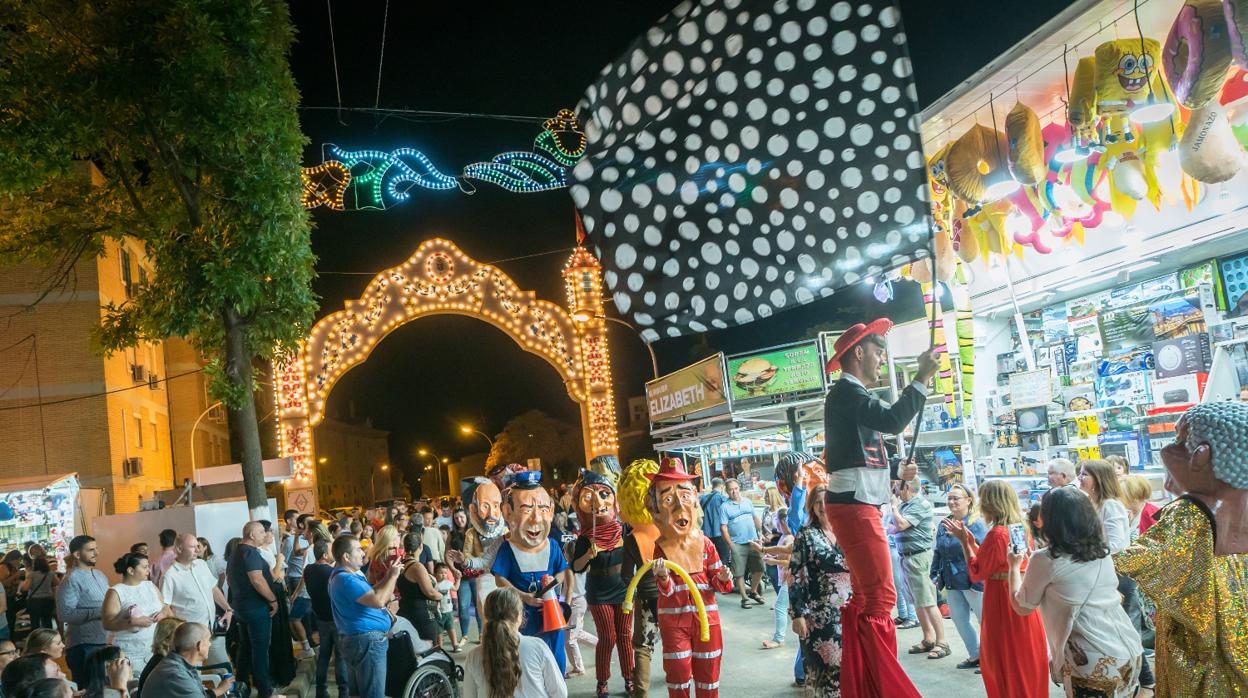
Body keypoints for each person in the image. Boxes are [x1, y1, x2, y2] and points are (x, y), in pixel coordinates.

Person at [821, 319, 937, 698]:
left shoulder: (848, 398)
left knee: (870, 597)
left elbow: (861, 455)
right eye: (878, 351)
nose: (881, 359)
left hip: (858, 504)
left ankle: (869, 681)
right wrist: (920, 377)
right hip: (855, 507)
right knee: (881, 598)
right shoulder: (845, 394)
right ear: (858, 352)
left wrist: (894, 469)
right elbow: (891, 420)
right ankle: (881, 682)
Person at [1115, 402, 1248, 697]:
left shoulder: (1190, 512)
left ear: (1201, 456)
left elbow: (1142, 560)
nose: (1166, 452)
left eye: (1178, 442)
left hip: (1204, 629)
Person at [1006, 487, 1143, 697]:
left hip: (1091, 659)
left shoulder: (1046, 559)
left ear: (1051, 519)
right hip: (1128, 648)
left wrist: (1014, 568)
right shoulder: (1101, 551)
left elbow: (1022, 606)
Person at [948, 479, 1048, 698]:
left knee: (1003, 656)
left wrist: (965, 543)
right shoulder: (1018, 527)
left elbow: (977, 571)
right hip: (1020, 591)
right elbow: (999, 560)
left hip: (1001, 598)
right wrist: (973, 544)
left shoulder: (997, 533)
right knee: (1024, 654)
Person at [646, 458, 734, 698]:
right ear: (655, 509)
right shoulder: (661, 548)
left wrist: (724, 577)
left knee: (708, 673)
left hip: (707, 618)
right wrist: (663, 577)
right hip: (675, 621)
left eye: (684, 496)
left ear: (695, 500)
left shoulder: (705, 543)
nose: (678, 506)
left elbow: (719, 582)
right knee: (678, 671)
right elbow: (667, 591)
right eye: (667, 499)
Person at [490, 471, 570, 675]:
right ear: (508, 512)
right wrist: (523, 595)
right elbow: (500, 579)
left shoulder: (552, 546)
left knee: (555, 655)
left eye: (543, 509)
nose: (536, 518)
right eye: (526, 510)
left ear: (551, 511)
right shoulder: (508, 548)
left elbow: (562, 571)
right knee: (525, 660)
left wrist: (553, 587)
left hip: (550, 612)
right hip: (521, 615)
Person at [569, 468, 633, 697]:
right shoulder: (585, 538)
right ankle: (602, 680)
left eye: (604, 494)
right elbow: (576, 567)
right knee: (608, 637)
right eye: (589, 497)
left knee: (625, 635)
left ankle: (630, 678)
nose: (598, 501)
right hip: (599, 592)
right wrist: (588, 556)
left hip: (625, 589)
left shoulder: (625, 530)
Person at [788, 484, 851, 695]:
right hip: (818, 616)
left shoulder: (847, 531)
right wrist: (798, 614)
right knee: (821, 672)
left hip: (850, 613)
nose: (823, 506)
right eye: (818, 502)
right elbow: (796, 575)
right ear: (811, 506)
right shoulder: (806, 535)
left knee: (848, 670)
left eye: (827, 501)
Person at [328, 535, 401, 698]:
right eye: (358, 549)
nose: (363, 553)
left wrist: (389, 575)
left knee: (358, 693)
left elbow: (371, 591)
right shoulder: (346, 579)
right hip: (367, 642)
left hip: (358, 640)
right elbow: (379, 600)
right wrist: (394, 577)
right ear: (346, 557)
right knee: (373, 694)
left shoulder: (348, 576)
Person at [461, 588, 566, 698]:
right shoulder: (537, 647)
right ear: (519, 616)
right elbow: (560, 693)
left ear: (486, 617)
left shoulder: (473, 656)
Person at [931, 483, 987, 670]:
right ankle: (975, 655)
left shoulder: (976, 523)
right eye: (950, 498)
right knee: (959, 619)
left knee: (984, 621)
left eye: (956, 498)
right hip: (952, 580)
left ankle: (991, 660)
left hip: (973, 581)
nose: (952, 502)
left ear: (968, 500)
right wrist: (934, 574)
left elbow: (983, 553)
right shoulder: (945, 523)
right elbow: (938, 551)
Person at [891, 478, 947, 659]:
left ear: (905, 486)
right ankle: (928, 638)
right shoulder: (906, 506)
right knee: (918, 602)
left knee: (928, 601)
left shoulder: (918, 504)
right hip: (907, 558)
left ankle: (942, 642)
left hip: (919, 558)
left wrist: (893, 507)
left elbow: (899, 525)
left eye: (896, 488)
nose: (895, 492)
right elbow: (892, 527)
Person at [618, 458, 660, 698]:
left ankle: (641, 692)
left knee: (643, 646)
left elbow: (626, 575)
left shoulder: (633, 538)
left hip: (646, 596)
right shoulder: (669, 527)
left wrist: (631, 595)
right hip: (673, 593)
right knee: (678, 640)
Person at [161, 534, 232, 666]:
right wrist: (181, 628)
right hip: (191, 636)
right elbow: (165, 606)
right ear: (179, 549)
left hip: (212, 629)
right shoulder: (170, 575)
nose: (198, 550)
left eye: (198, 546)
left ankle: (226, 687)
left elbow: (213, 589)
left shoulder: (201, 564)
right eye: (193, 547)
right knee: (193, 673)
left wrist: (228, 609)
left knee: (224, 667)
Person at [227, 521, 279, 698]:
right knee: (260, 650)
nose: (265, 535)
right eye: (262, 532)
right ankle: (265, 691)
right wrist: (272, 599)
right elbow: (257, 580)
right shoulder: (250, 552)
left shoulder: (236, 552)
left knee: (246, 649)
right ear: (251, 535)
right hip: (255, 609)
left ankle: (242, 688)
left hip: (241, 608)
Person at [102, 552, 171, 671]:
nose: (148, 570)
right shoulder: (115, 591)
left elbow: (164, 606)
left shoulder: (150, 586)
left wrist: (163, 614)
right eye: (144, 567)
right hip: (130, 652)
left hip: (154, 648)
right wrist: (132, 622)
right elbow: (107, 623)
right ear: (131, 570)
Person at [56, 535, 108, 681]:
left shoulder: (100, 575)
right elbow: (65, 614)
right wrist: (99, 612)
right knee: (88, 690)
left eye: (96, 548)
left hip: (102, 640)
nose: (96, 553)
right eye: (91, 550)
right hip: (83, 645)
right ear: (77, 554)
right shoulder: (71, 579)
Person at [140, 622, 234, 698]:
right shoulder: (175, 674)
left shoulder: (179, 664)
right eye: (208, 640)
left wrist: (220, 689)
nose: (210, 644)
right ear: (199, 646)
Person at [303, 540, 346, 698]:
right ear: (325, 555)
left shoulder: (308, 569)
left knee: (324, 655)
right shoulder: (332, 572)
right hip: (336, 619)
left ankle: (320, 691)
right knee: (341, 656)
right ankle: (343, 692)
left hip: (320, 618)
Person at [721, 479, 764, 609]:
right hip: (737, 544)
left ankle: (753, 591)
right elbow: (723, 528)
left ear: (739, 488)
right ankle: (744, 598)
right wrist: (731, 544)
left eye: (736, 488)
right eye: (731, 489)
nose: (734, 491)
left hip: (753, 541)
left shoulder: (747, 502)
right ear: (727, 491)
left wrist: (760, 534)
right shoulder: (725, 507)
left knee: (760, 568)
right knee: (738, 572)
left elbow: (755, 518)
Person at [754, 513, 793, 650]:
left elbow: (791, 562)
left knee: (780, 606)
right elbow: (784, 554)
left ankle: (778, 639)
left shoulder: (791, 538)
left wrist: (773, 560)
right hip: (785, 577)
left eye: (778, 521)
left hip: (790, 577)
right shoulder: (784, 537)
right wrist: (773, 556)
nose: (776, 525)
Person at [395, 532, 440, 645]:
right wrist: (440, 596)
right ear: (420, 546)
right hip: (420, 616)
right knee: (428, 650)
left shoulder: (401, 564)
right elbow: (430, 592)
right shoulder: (417, 567)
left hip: (405, 611)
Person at [135, 617, 183, 694]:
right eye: (181, 634)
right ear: (166, 640)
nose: (186, 638)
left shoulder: (161, 659)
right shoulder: (165, 664)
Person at [698, 479, 731, 578]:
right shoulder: (722, 498)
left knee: (710, 558)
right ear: (722, 487)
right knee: (723, 557)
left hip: (707, 535)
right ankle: (723, 579)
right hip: (720, 533)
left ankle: (712, 578)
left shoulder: (703, 498)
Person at [20, 554, 56, 631]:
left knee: (35, 622)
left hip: (35, 601)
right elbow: (57, 583)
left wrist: (22, 585)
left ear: (35, 564)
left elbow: (25, 588)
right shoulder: (50, 573)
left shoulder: (32, 574)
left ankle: (36, 639)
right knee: (47, 621)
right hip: (48, 600)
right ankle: (49, 639)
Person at [432, 562, 461, 651]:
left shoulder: (448, 583)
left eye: (445, 573)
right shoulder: (434, 585)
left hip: (448, 611)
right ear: (435, 573)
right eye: (441, 573)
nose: (443, 575)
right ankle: (439, 647)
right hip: (438, 612)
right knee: (439, 631)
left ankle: (455, 645)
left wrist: (458, 579)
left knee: (451, 628)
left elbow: (455, 588)